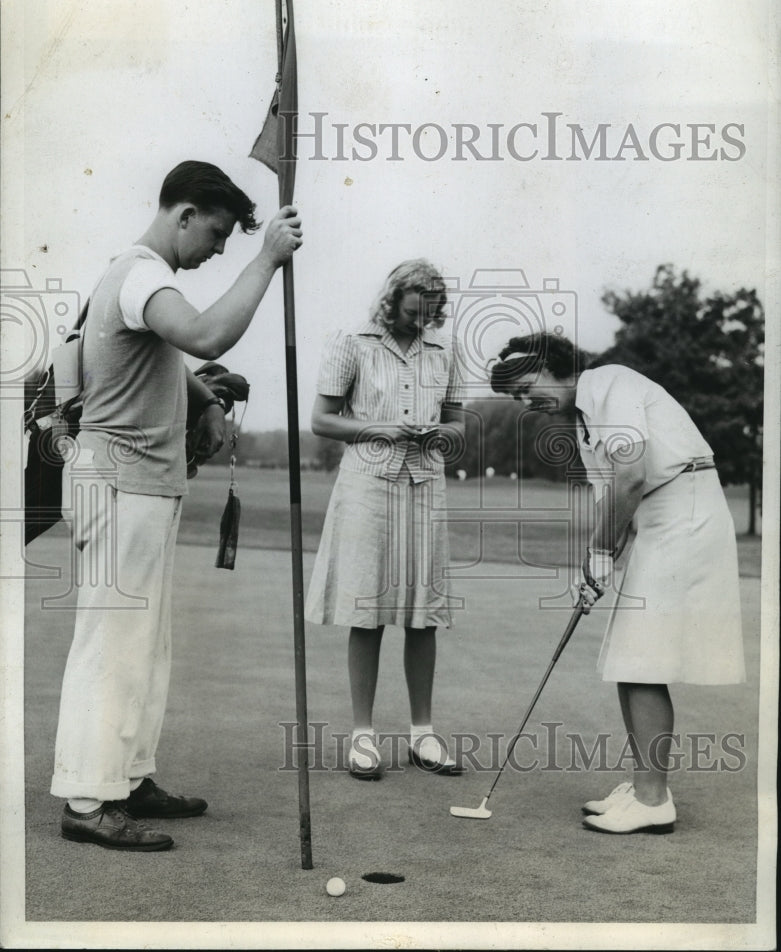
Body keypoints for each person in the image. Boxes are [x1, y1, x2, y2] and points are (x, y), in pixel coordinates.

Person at [52, 160, 303, 850]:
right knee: (112, 647)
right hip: (120, 482)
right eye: (217, 234)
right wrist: (266, 261)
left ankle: (127, 779)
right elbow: (206, 337)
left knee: (144, 648)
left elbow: (167, 361)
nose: (219, 248)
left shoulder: (136, 278)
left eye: (231, 241)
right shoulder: (142, 275)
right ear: (183, 213)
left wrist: (206, 400)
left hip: (142, 483)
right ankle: (85, 799)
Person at [490, 331, 745, 834]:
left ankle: (653, 802)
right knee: (630, 658)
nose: (527, 402)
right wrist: (596, 565)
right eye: (517, 398)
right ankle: (648, 786)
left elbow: (630, 477)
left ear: (551, 365)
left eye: (525, 387)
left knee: (643, 658)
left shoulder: (610, 384)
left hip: (685, 512)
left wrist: (603, 554)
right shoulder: (585, 421)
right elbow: (616, 502)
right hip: (659, 518)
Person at [305, 259, 466, 780]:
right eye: (413, 313)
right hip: (367, 486)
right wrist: (380, 429)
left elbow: (458, 424)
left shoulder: (446, 350)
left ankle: (423, 735)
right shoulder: (350, 340)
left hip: (426, 487)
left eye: (431, 315)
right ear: (392, 300)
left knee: (424, 614)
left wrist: (438, 435)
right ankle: (363, 736)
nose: (422, 324)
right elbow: (322, 420)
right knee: (366, 609)